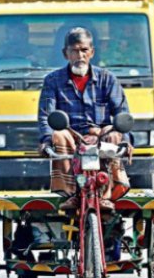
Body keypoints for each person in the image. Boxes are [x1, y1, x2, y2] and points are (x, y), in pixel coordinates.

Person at [37, 27, 131, 211]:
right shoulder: (52, 80)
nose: (79, 55)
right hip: (71, 135)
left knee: (114, 134)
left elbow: (121, 113)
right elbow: (46, 116)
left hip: (99, 136)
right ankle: (71, 194)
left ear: (92, 52)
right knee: (58, 134)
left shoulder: (108, 79)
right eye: (74, 51)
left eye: (84, 50)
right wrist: (46, 141)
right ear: (66, 54)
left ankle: (105, 194)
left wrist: (126, 141)